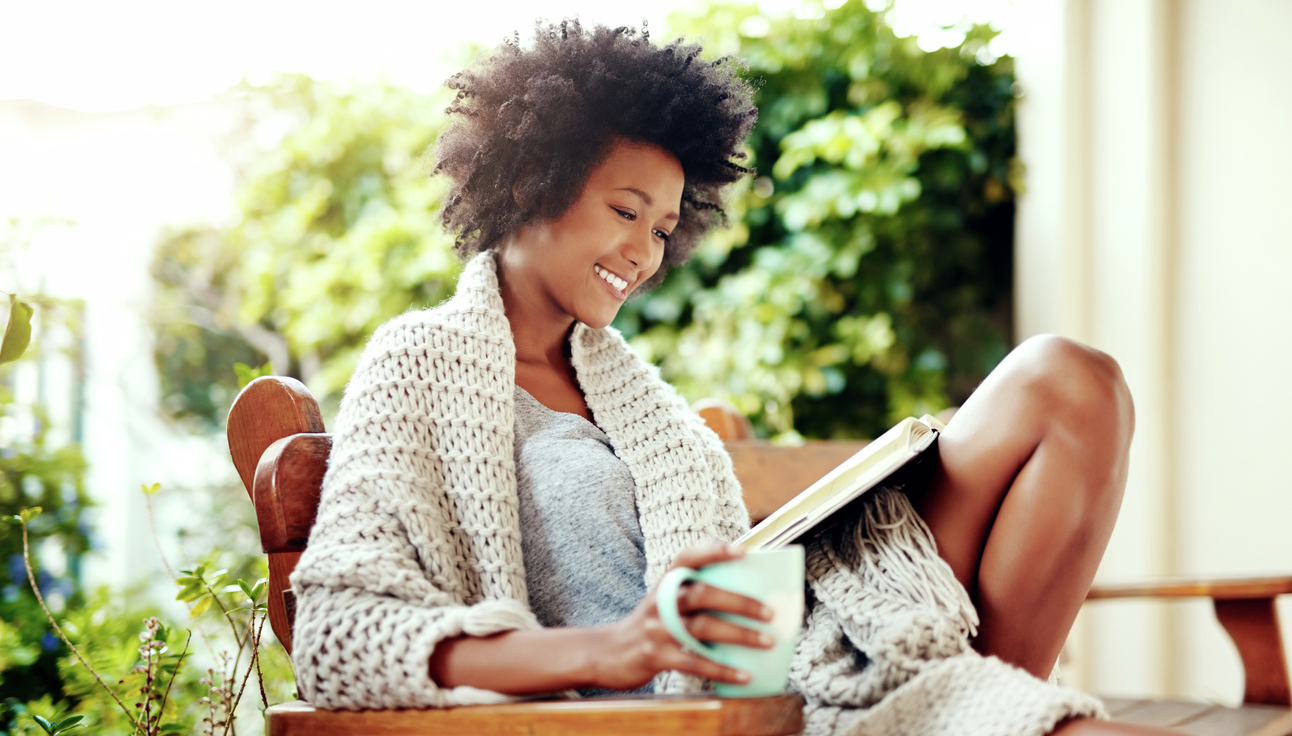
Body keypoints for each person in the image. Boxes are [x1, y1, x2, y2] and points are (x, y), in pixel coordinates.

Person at [287, 20, 1170, 736]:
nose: (642, 252)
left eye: (664, 228)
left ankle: (984, 713)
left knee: (1066, 382)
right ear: (530, 179)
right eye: (625, 211)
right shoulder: (420, 364)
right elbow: (340, 633)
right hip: (673, 715)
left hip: (798, 656)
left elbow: (717, 571)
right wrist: (607, 651)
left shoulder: (645, 408)